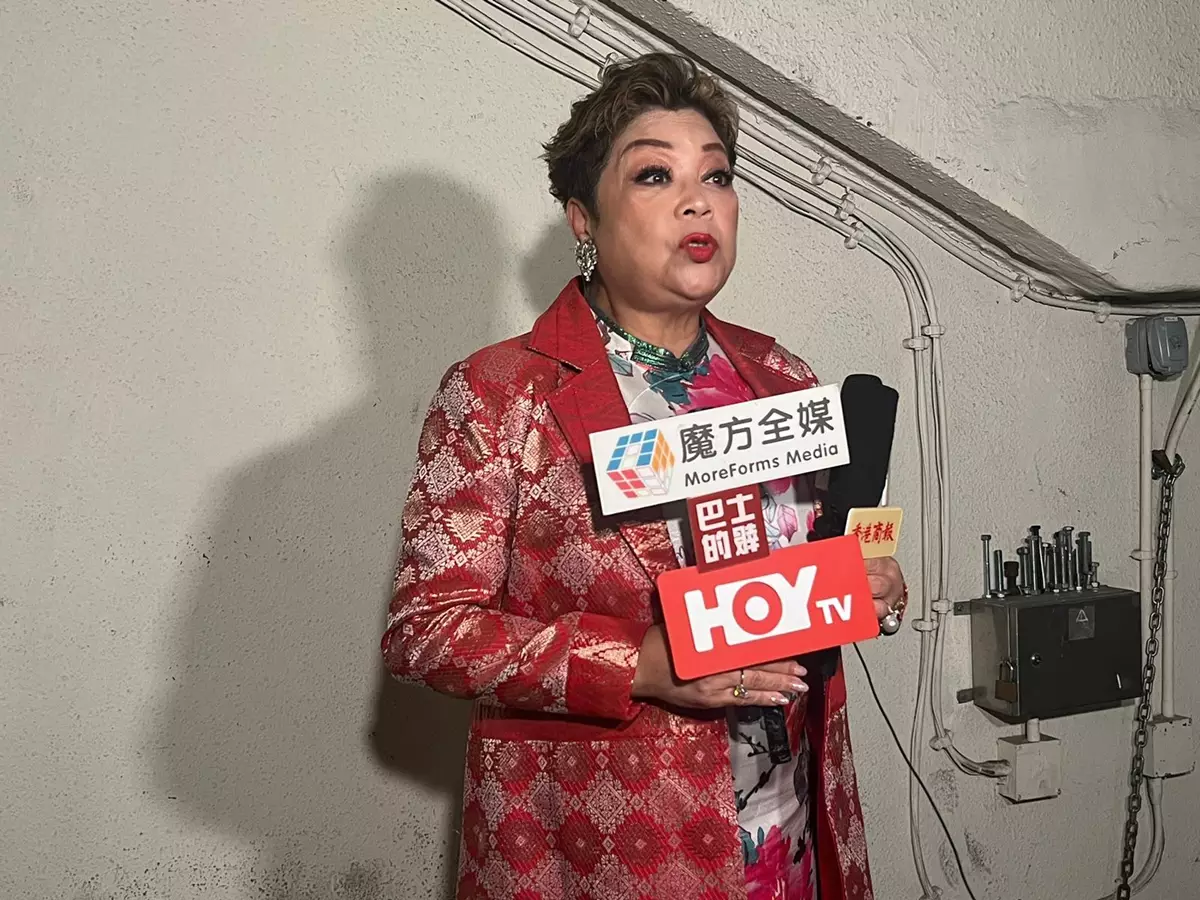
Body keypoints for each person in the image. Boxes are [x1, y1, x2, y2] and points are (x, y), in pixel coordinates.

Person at [381, 51, 906, 900]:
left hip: (791, 832)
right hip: (607, 851)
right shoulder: (498, 393)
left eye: (717, 175)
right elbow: (428, 630)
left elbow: (816, 571)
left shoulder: (784, 379)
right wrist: (637, 664)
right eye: (655, 175)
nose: (699, 201)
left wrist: (864, 582)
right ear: (582, 218)